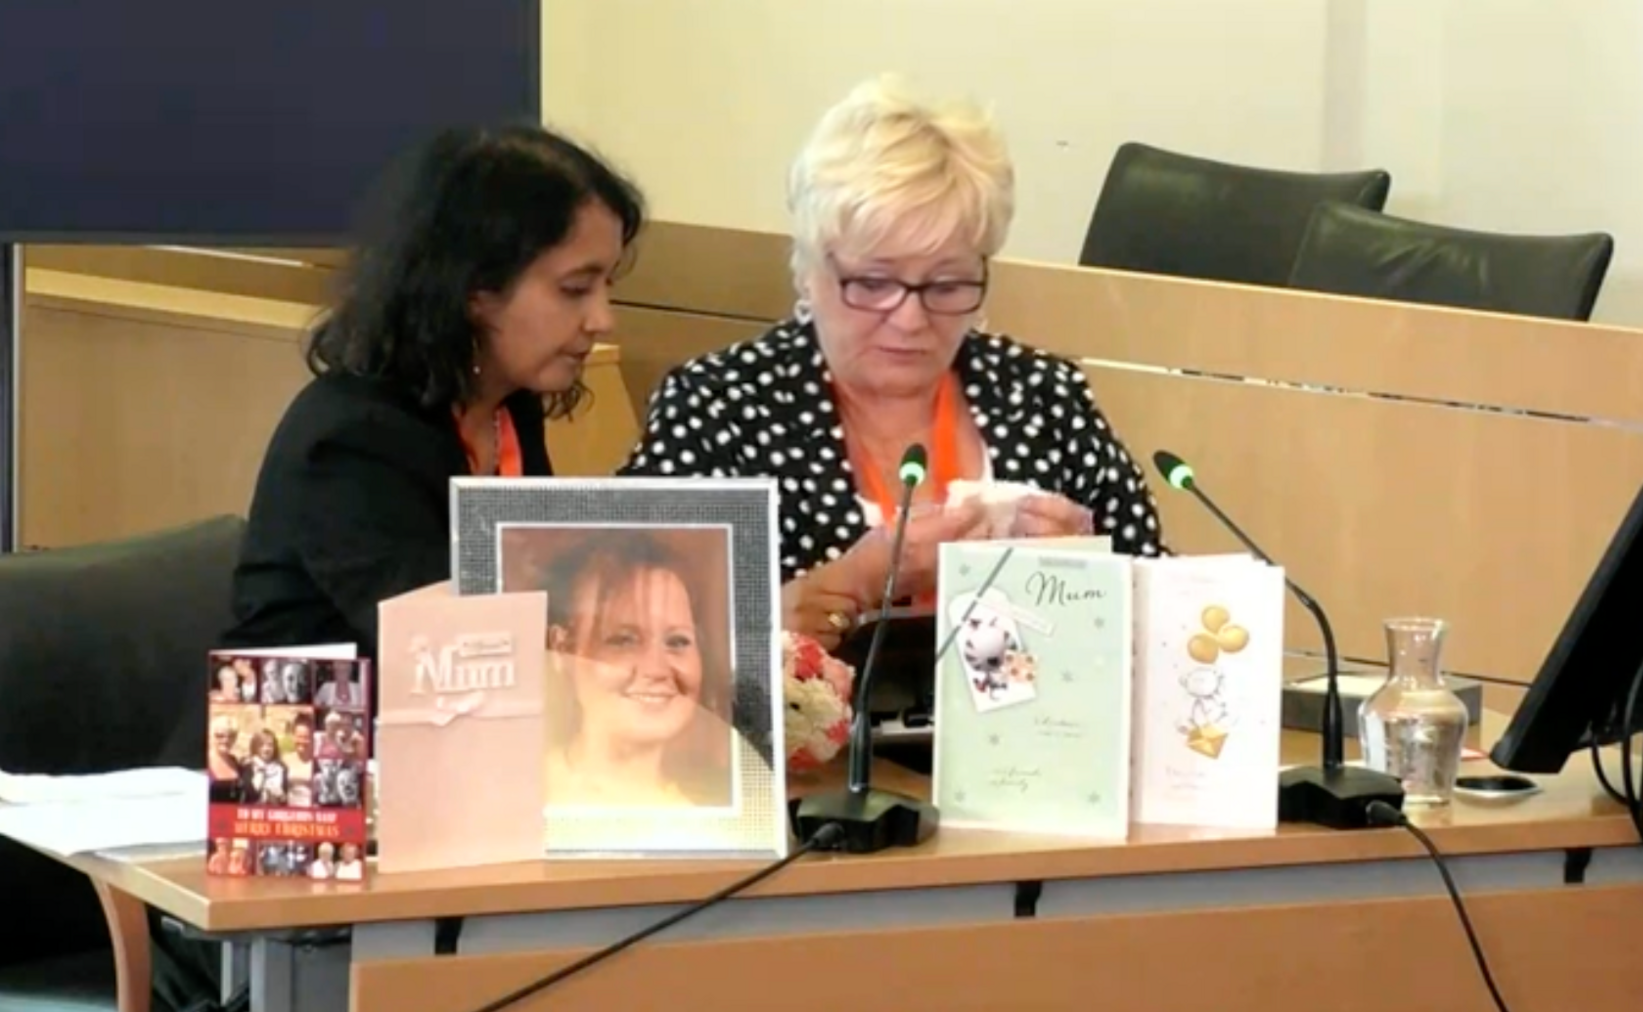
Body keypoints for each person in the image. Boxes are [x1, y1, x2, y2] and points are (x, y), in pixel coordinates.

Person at [619, 76, 1168, 651]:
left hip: (1027, 736)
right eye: (874, 282)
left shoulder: (1043, 395)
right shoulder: (719, 404)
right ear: (807, 269)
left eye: (947, 285)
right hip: (816, 740)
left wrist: (1090, 580)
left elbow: (1158, 608)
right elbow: (625, 629)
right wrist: (852, 584)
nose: (909, 319)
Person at [220, 124, 646, 661]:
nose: (602, 319)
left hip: (454, 726)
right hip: (304, 735)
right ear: (473, 291)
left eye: (607, 287)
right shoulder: (352, 439)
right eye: (575, 290)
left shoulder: (510, 405)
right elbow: (446, 651)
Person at [537, 535, 734, 809]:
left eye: (677, 641)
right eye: (623, 640)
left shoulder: (720, 819)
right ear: (561, 649)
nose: (656, 669)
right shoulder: (517, 798)